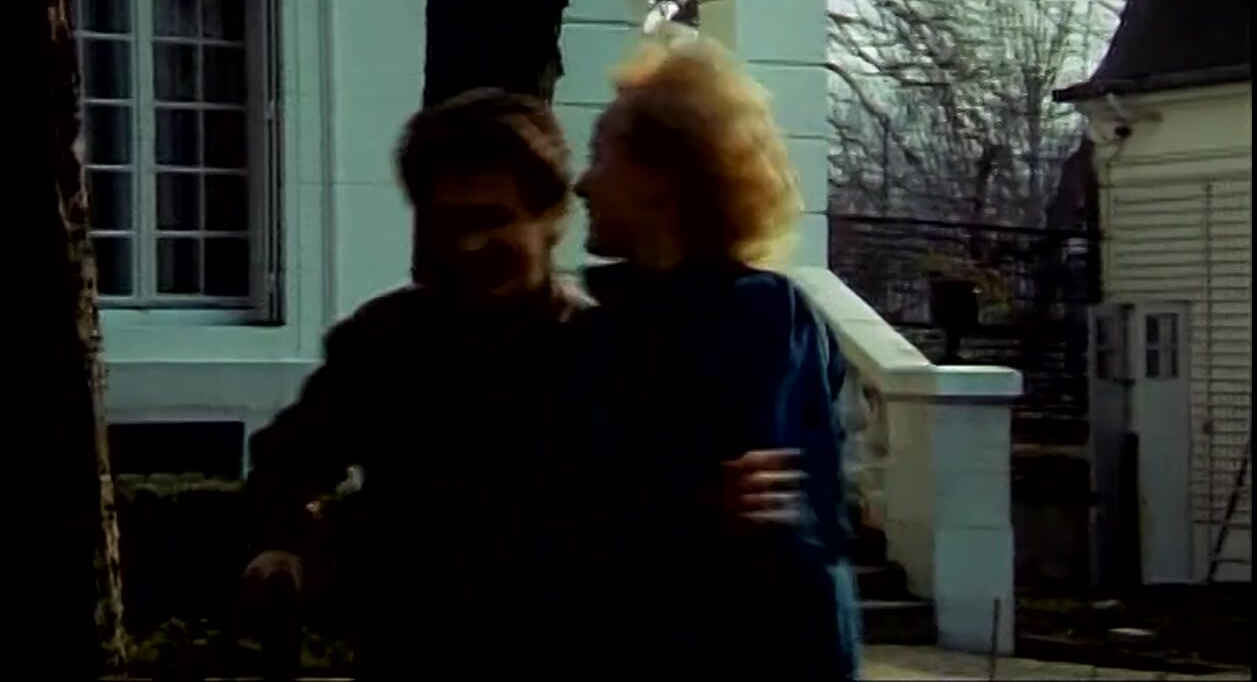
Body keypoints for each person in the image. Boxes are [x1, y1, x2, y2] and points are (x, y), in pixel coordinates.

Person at [239, 88, 805, 680]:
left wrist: (732, 504)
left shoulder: (623, 350)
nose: (467, 245)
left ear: (553, 215)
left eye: (491, 220)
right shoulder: (386, 342)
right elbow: (283, 467)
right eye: (448, 222)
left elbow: (680, 509)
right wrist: (283, 544)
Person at [567, 34, 861, 681]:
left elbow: (769, 524)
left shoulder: (759, 319)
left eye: (600, 155)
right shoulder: (596, 325)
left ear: (662, 176)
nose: (582, 183)